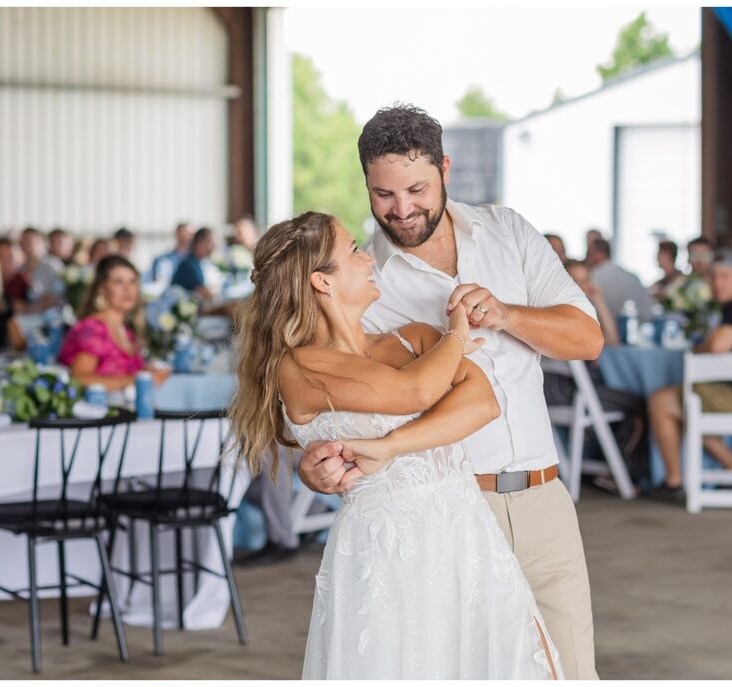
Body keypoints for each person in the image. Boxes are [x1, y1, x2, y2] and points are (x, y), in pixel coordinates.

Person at [296, 105, 604, 679]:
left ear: (445, 168)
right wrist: (314, 464)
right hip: (453, 513)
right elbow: (332, 394)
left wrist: (509, 314)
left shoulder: (507, 230)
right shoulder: (364, 281)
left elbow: (587, 339)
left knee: (572, 673)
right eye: (383, 194)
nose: (401, 209)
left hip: (544, 499)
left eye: (416, 188)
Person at [231, 211, 561, 679]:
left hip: (465, 532)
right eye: (352, 251)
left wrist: (389, 446)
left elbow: (483, 404)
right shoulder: (299, 368)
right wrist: (456, 336)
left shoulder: (412, 340)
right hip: (386, 548)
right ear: (321, 283)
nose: (368, 257)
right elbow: (417, 393)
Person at [649, 249, 732, 502]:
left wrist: (699, 348)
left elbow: (719, 345)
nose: (717, 283)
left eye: (725, 277)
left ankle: (674, 481)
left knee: (661, 401)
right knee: (688, 407)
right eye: (714, 277)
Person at [547, 260, 651, 489]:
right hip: (569, 391)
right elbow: (601, 350)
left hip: (551, 391)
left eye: (586, 280)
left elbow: (610, 342)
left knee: (626, 403)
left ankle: (613, 469)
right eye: (576, 280)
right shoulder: (569, 315)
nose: (582, 285)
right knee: (641, 404)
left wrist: (599, 302)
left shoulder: (552, 310)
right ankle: (619, 472)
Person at [58, 255, 168, 391]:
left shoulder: (126, 331)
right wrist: (137, 380)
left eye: (133, 281)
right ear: (102, 289)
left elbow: (121, 372)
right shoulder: (93, 329)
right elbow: (79, 378)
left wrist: (147, 370)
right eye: (118, 282)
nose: (128, 289)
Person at [587, 237, 655, 321]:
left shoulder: (592, 278)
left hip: (604, 331)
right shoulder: (632, 277)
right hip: (636, 329)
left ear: (599, 253)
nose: (587, 258)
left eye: (589, 254)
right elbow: (648, 311)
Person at [18, 227, 65, 310]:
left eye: (31, 242)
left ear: (43, 243)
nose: (28, 246)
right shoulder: (20, 268)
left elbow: (60, 294)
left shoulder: (53, 265)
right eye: (24, 242)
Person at [171, 226, 216, 301]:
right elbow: (207, 295)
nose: (214, 246)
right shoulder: (189, 266)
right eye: (211, 242)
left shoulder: (202, 263)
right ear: (200, 243)